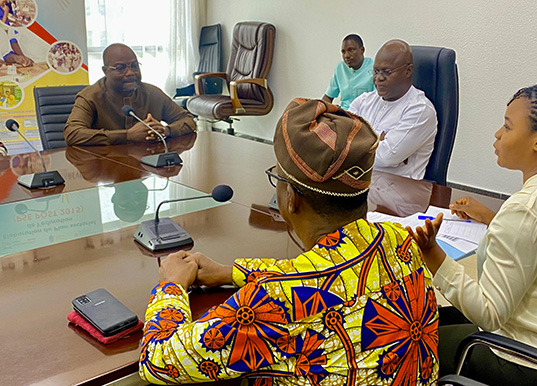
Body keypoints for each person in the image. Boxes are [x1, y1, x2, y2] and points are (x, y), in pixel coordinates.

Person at [139, 99, 439, 385]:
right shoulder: (402, 243)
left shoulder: (273, 300)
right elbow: (329, 271)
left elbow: (158, 360)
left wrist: (171, 287)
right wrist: (234, 272)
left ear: (291, 198)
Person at [408, 82, 537, 385]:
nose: (498, 135)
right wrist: (492, 218)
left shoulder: (526, 209)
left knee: (411, 343)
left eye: (507, 126)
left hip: (529, 360)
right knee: (434, 318)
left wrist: (433, 255)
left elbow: (489, 314)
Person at [64, 43, 195, 146]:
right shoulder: (90, 97)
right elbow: (72, 133)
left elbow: (188, 120)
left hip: (147, 166)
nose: (130, 73)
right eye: (121, 68)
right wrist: (126, 135)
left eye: (134, 66)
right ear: (105, 71)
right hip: (105, 167)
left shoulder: (153, 93)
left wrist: (165, 131)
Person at [349, 39, 437, 180]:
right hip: (361, 182)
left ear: (408, 71)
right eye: (376, 71)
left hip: (400, 193)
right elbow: (339, 138)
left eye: (386, 72)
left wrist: (356, 139)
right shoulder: (363, 102)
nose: (378, 78)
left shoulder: (420, 110)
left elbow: (386, 157)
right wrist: (377, 141)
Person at [321, 34, 374, 110]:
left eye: (351, 50)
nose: (346, 56)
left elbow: (379, 99)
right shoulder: (340, 68)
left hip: (365, 115)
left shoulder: (374, 67)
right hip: (344, 114)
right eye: (343, 52)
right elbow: (328, 97)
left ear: (362, 50)